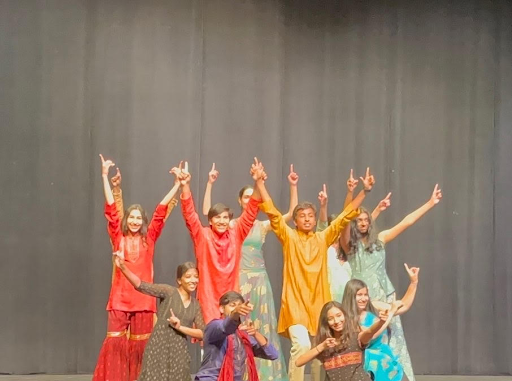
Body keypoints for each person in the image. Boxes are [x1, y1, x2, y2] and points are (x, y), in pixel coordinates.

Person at [255, 168, 375, 381]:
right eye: (302, 216)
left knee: (324, 352)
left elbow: (344, 217)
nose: (308, 219)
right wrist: (260, 183)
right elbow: (273, 214)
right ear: (295, 221)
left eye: (311, 216)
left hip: (320, 305)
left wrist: (364, 192)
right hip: (294, 305)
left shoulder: (322, 238)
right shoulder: (289, 238)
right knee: (302, 345)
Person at [340, 170, 441, 381]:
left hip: (385, 294)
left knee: (392, 339)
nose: (363, 222)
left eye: (366, 219)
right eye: (359, 220)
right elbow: (344, 219)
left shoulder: (381, 239)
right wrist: (354, 193)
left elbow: (406, 222)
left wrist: (430, 203)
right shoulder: (350, 246)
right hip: (363, 298)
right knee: (367, 340)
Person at [201, 163, 299, 381]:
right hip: (240, 278)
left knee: (260, 326)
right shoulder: (232, 224)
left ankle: (264, 374)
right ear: (239, 201)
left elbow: (292, 214)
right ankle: (237, 370)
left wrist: (293, 186)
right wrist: (209, 183)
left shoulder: (262, 226)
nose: (248, 200)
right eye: (245, 197)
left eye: (250, 197)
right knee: (238, 325)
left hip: (260, 280)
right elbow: (208, 213)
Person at [93, 154, 181, 381]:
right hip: (119, 300)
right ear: (126, 220)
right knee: (115, 345)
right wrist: (104, 176)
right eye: (131, 218)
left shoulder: (149, 238)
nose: (134, 221)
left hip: (143, 301)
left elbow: (161, 211)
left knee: (140, 349)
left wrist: (177, 186)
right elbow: (111, 209)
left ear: (143, 221)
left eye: (138, 218)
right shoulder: (118, 236)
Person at [177, 159, 264, 324]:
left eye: (225, 218)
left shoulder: (236, 233)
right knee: (211, 341)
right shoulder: (202, 236)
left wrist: (258, 182)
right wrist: (185, 185)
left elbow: (252, 209)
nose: (222, 221)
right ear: (210, 221)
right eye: (217, 217)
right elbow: (189, 214)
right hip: (209, 299)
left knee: (232, 343)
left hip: (232, 299)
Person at [113, 254, 205, 381]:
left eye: (196, 277)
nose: (193, 280)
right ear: (179, 280)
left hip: (179, 354)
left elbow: (202, 333)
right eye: (188, 277)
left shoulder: (195, 305)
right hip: (158, 349)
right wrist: (123, 267)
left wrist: (180, 327)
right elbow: (141, 285)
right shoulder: (169, 292)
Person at [341, 264, 420, 381]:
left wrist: (413, 283)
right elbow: (370, 336)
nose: (364, 298)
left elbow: (403, 306)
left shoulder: (373, 306)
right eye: (359, 295)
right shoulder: (347, 318)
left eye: (365, 294)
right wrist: (390, 314)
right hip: (368, 361)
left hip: (383, 356)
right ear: (351, 296)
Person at [295, 300, 400, 381]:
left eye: (339, 316)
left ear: (344, 315)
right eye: (330, 319)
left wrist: (381, 322)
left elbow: (369, 332)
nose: (336, 321)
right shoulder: (324, 345)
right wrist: (322, 346)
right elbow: (299, 362)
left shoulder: (356, 337)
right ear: (326, 322)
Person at [195, 291, 279, 381]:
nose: (237, 308)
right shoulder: (214, 326)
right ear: (221, 309)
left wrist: (255, 334)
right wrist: (235, 313)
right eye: (232, 305)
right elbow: (226, 327)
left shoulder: (243, 336)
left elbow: (272, 354)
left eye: (239, 305)